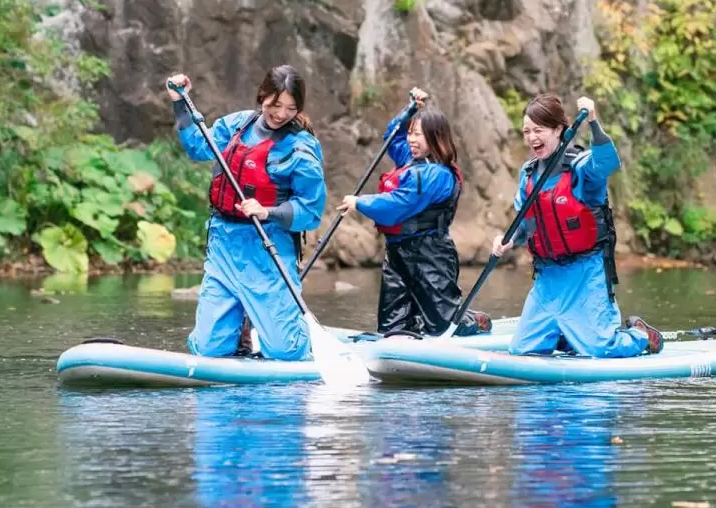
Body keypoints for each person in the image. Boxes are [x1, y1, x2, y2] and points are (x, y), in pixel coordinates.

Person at [167, 65, 327, 360]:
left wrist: (268, 212)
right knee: (208, 349)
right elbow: (198, 147)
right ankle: (242, 329)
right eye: (275, 104)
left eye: (291, 108)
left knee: (285, 351)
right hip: (224, 243)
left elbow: (311, 210)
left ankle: (297, 332)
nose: (280, 114)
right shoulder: (237, 125)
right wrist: (180, 103)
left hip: (269, 249)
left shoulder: (301, 148)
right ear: (262, 96)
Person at [492, 93, 663, 357]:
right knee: (522, 350)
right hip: (547, 280)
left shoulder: (581, 167)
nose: (531, 137)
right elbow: (525, 226)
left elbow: (607, 162)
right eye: (526, 131)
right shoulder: (528, 174)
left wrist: (593, 121)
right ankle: (569, 336)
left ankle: (640, 336)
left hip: (586, 274)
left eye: (539, 130)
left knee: (601, 350)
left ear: (559, 130)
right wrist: (507, 240)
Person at [337, 88, 491, 338]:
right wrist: (410, 110)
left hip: (429, 255)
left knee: (443, 326)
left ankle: (474, 321)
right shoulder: (409, 160)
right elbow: (392, 137)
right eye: (411, 132)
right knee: (392, 328)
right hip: (397, 254)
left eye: (418, 134)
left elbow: (398, 206)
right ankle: (408, 331)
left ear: (435, 137)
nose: (411, 139)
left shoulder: (436, 175)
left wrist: (360, 202)